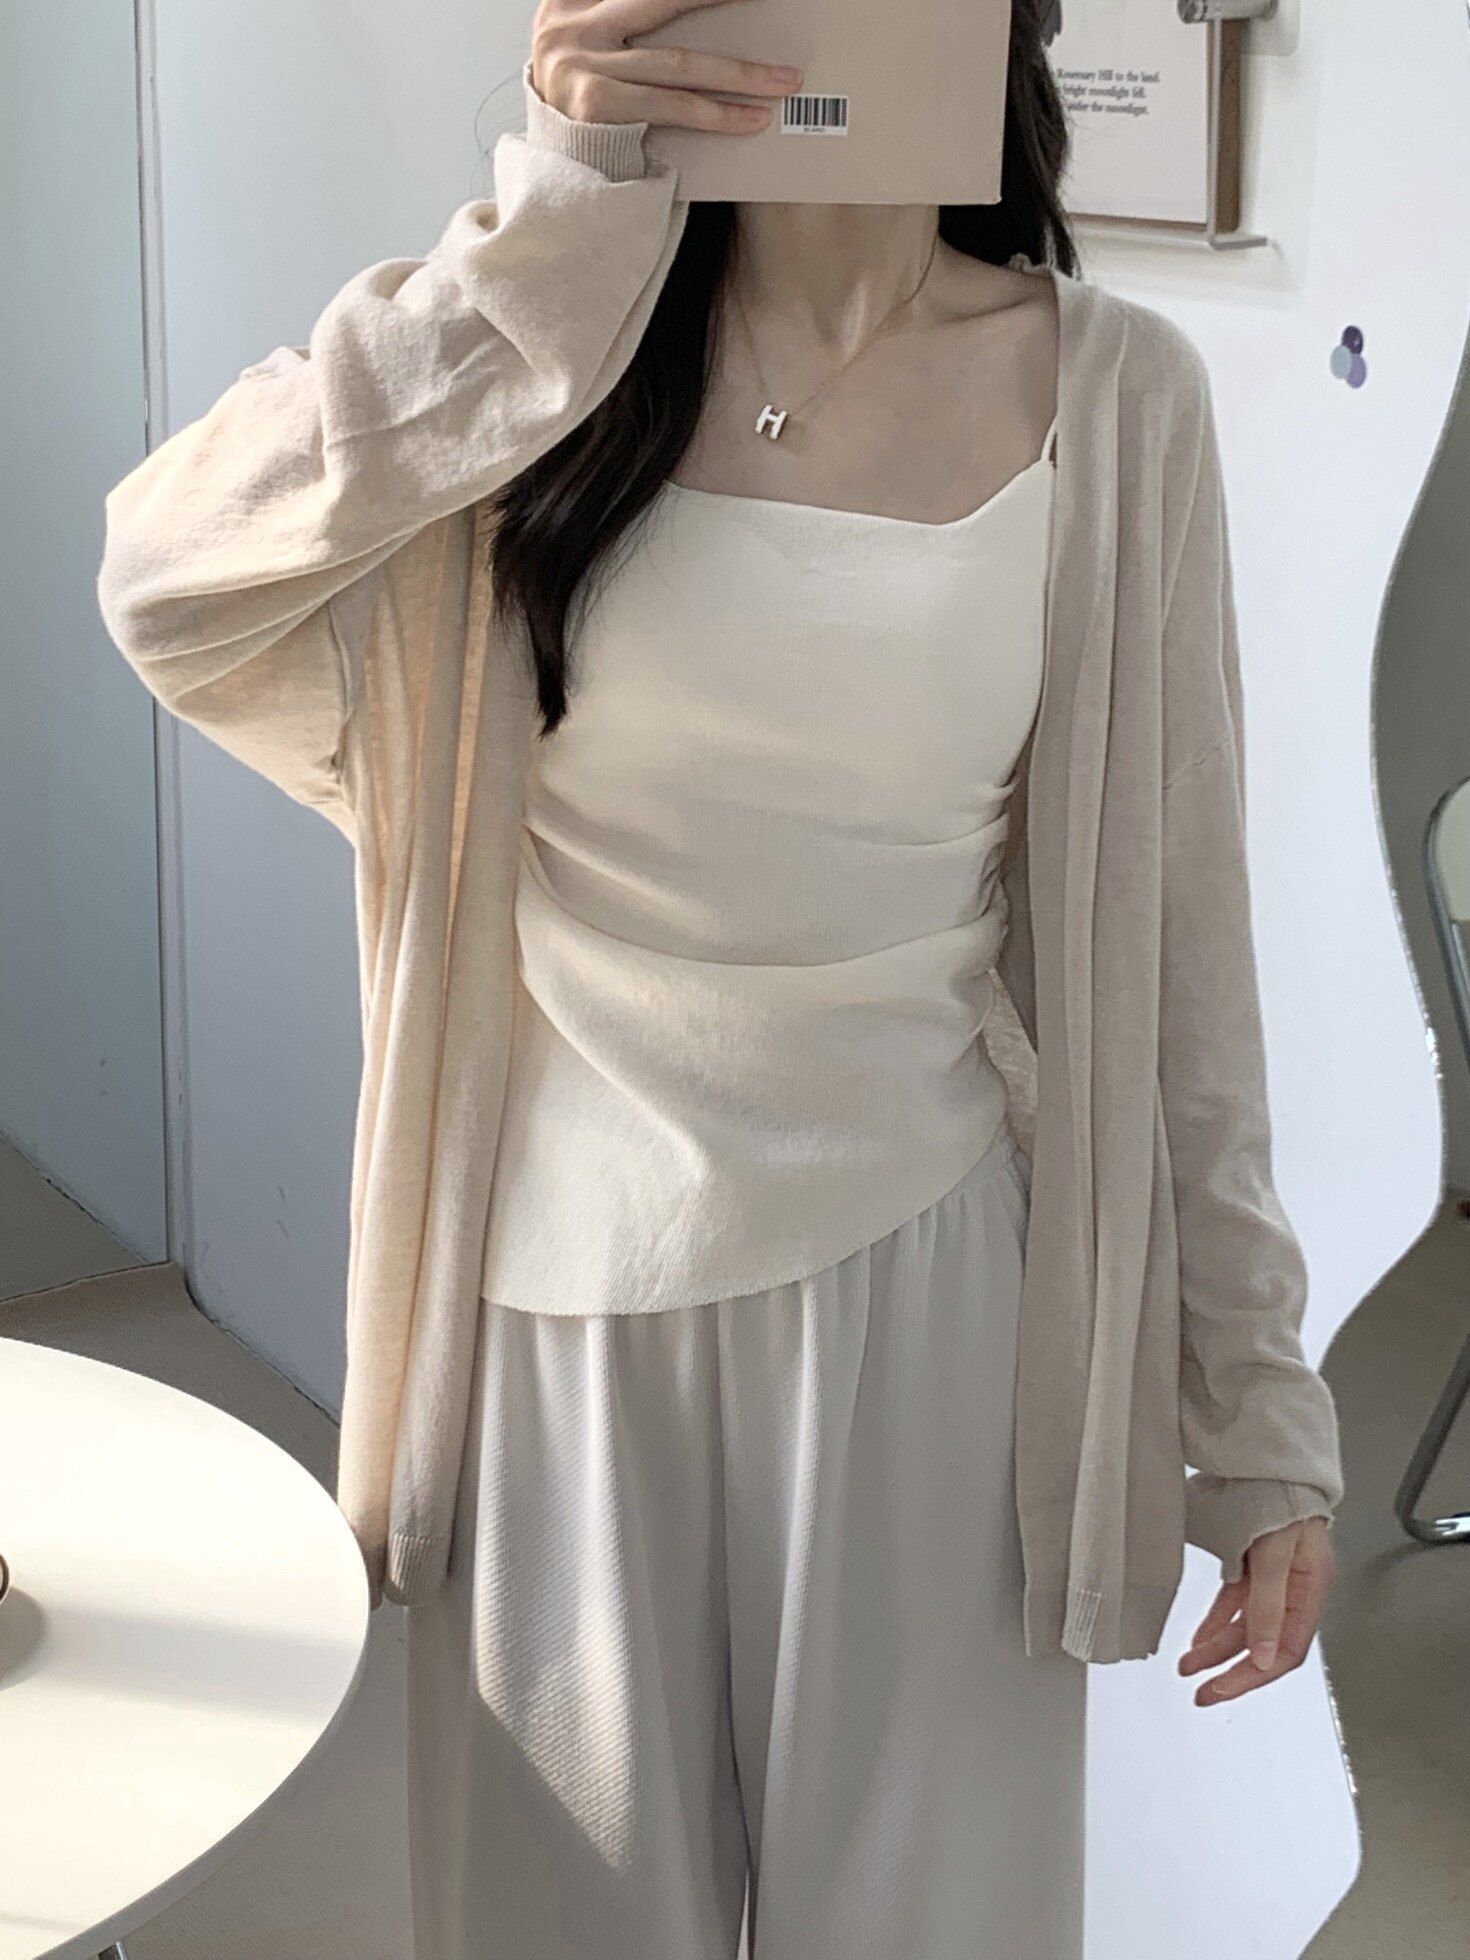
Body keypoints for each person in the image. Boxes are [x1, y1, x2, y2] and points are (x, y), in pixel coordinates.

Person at [96, 0, 1345, 1952]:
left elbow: (1181, 941)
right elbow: (169, 576)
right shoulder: (534, 363)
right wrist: (550, 234)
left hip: (934, 1303)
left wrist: (1255, 1410)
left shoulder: (1111, 395)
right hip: (550, 1299)